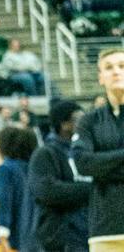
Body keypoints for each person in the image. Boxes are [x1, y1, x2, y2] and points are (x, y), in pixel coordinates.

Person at [72, 47, 124, 251]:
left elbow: (92, 163)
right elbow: (82, 163)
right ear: (101, 77)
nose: (116, 71)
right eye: (109, 67)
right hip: (105, 227)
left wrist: (104, 167)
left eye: (122, 66)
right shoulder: (89, 121)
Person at [28, 100, 89, 252]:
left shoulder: (87, 151)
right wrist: (92, 190)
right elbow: (47, 191)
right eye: (79, 119)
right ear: (64, 124)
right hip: (59, 238)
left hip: (87, 233)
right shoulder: (45, 153)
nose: (84, 124)